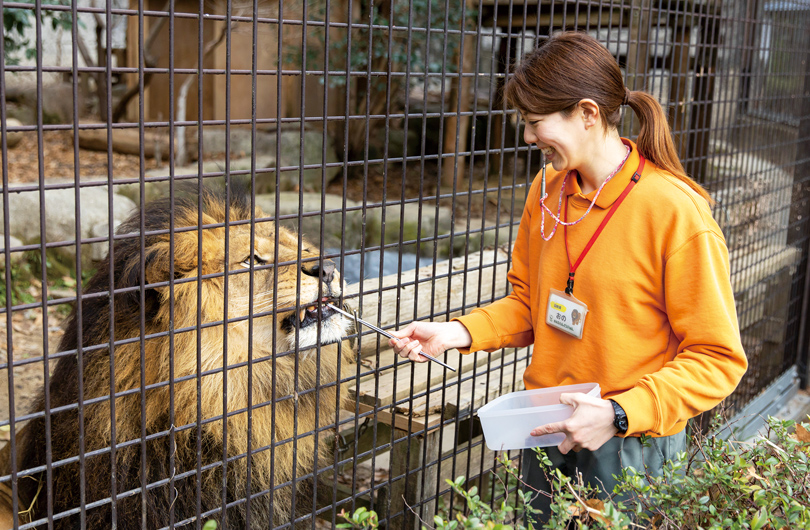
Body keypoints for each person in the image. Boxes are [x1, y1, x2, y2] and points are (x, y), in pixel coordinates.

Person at [389, 31, 747, 520]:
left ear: (587, 114)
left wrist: (620, 414)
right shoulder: (547, 188)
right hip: (548, 430)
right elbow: (528, 302)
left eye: (535, 122)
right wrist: (456, 333)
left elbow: (718, 358)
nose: (528, 137)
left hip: (629, 445)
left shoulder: (674, 213)